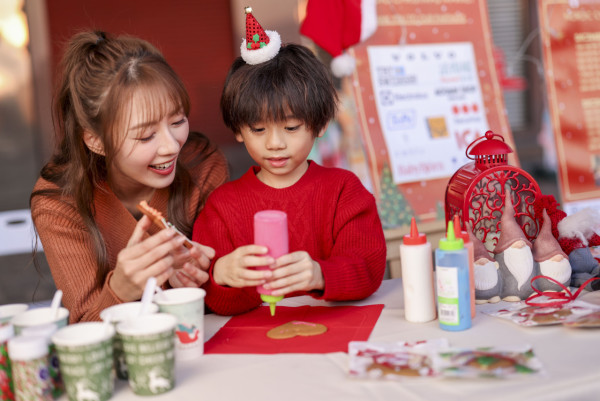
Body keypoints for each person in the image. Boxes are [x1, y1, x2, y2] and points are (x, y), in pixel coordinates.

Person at [192, 8, 386, 316]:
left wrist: (321, 274)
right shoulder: (222, 206)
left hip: (334, 335)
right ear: (239, 130)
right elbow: (208, 300)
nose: (275, 143)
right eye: (258, 129)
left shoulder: (343, 191)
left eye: (291, 128)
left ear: (320, 124)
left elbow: (369, 269)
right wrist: (220, 275)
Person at [30, 31, 228, 323]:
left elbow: (236, 294)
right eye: (146, 136)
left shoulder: (201, 165)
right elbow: (83, 332)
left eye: (177, 121)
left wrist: (210, 278)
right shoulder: (60, 201)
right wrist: (121, 288)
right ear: (96, 141)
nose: (172, 146)